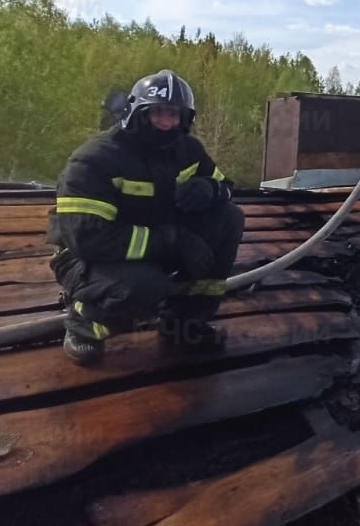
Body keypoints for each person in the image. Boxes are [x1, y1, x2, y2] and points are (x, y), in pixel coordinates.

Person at [46, 70, 245, 366]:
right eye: (158, 113)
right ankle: (84, 324)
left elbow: (227, 189)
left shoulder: (188, 151)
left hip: (154, 244)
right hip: (86, 259)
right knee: (146, 286)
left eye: (174, 115)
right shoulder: (95, 160)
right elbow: (89, 239)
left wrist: (211, 189)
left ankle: (183, 321)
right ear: (138, 113)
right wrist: (174, 242)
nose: (167, 123)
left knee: (229, 218)